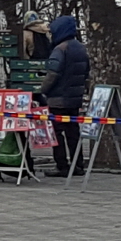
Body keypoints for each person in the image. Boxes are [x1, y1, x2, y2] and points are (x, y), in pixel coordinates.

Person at [37, 15, 89, 178]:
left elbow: (52, 74)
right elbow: (86, 72)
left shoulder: (59, 50)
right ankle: (78, 165)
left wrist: (42, 90)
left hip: (58, 99)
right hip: (75, 98)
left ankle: (62, 166)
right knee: (73, 132)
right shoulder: (81, 48)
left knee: (57, 133)